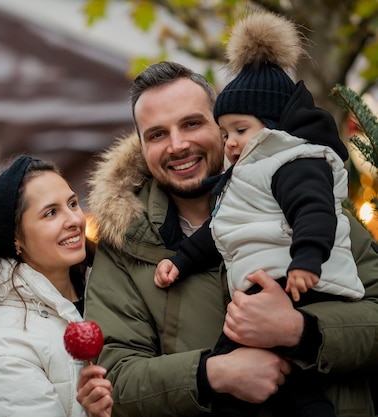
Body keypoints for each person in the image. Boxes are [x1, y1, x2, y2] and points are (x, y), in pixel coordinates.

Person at [84, 43, 378, 417]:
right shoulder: (124, 245)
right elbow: (115, 381)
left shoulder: (300, 194)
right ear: (141, 146)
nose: (178, 145)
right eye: (157, 134)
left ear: (222, 125)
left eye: (192, 123)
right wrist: (212, 374)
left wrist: (300, 331)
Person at [150, 12, 365, 417]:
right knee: (289, 384)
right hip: (274, 281)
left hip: (296, 283)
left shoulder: (293, 161)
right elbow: (219, 233)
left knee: (232, 363)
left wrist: (306, 260)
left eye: (241, 131)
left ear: (274, 127)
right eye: (226, 133)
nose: (231, 143)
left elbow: (313, 210)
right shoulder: (246, 175)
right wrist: (180, 261)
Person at [0, 155, 112, 417]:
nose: (74, 219)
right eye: (51, 212)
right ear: (15, 237)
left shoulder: (107, 288)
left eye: (72, 203)